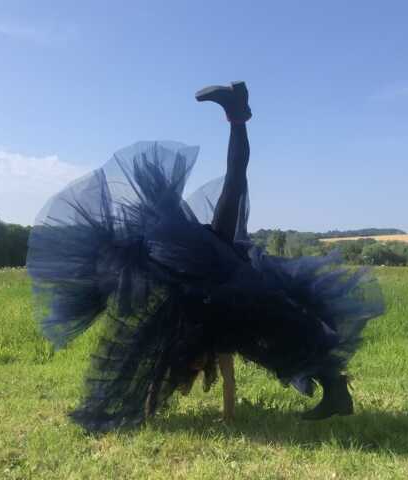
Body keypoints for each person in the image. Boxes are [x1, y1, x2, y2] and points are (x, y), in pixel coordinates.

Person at [27, 82, 384, 432]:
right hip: (222, 279)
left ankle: (333, 388)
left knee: (266, 320)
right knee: (235, 195)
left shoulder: (190, 258)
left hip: (223, 283)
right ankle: (237, 114)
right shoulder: (200, 252)